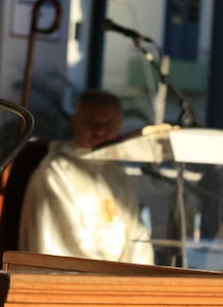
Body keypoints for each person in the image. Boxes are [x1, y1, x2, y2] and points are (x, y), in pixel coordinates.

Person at [18, 89, 154, 264]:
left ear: (120, 125)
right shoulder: (57, 171)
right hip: (80, 280)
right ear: (75, 122)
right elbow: (67, 241)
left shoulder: (116, 173)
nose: (100, 131)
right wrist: (110, 279)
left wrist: (138, 277)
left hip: (118, 280)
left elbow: (136, 233)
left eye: (108, 124)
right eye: (92, 123)